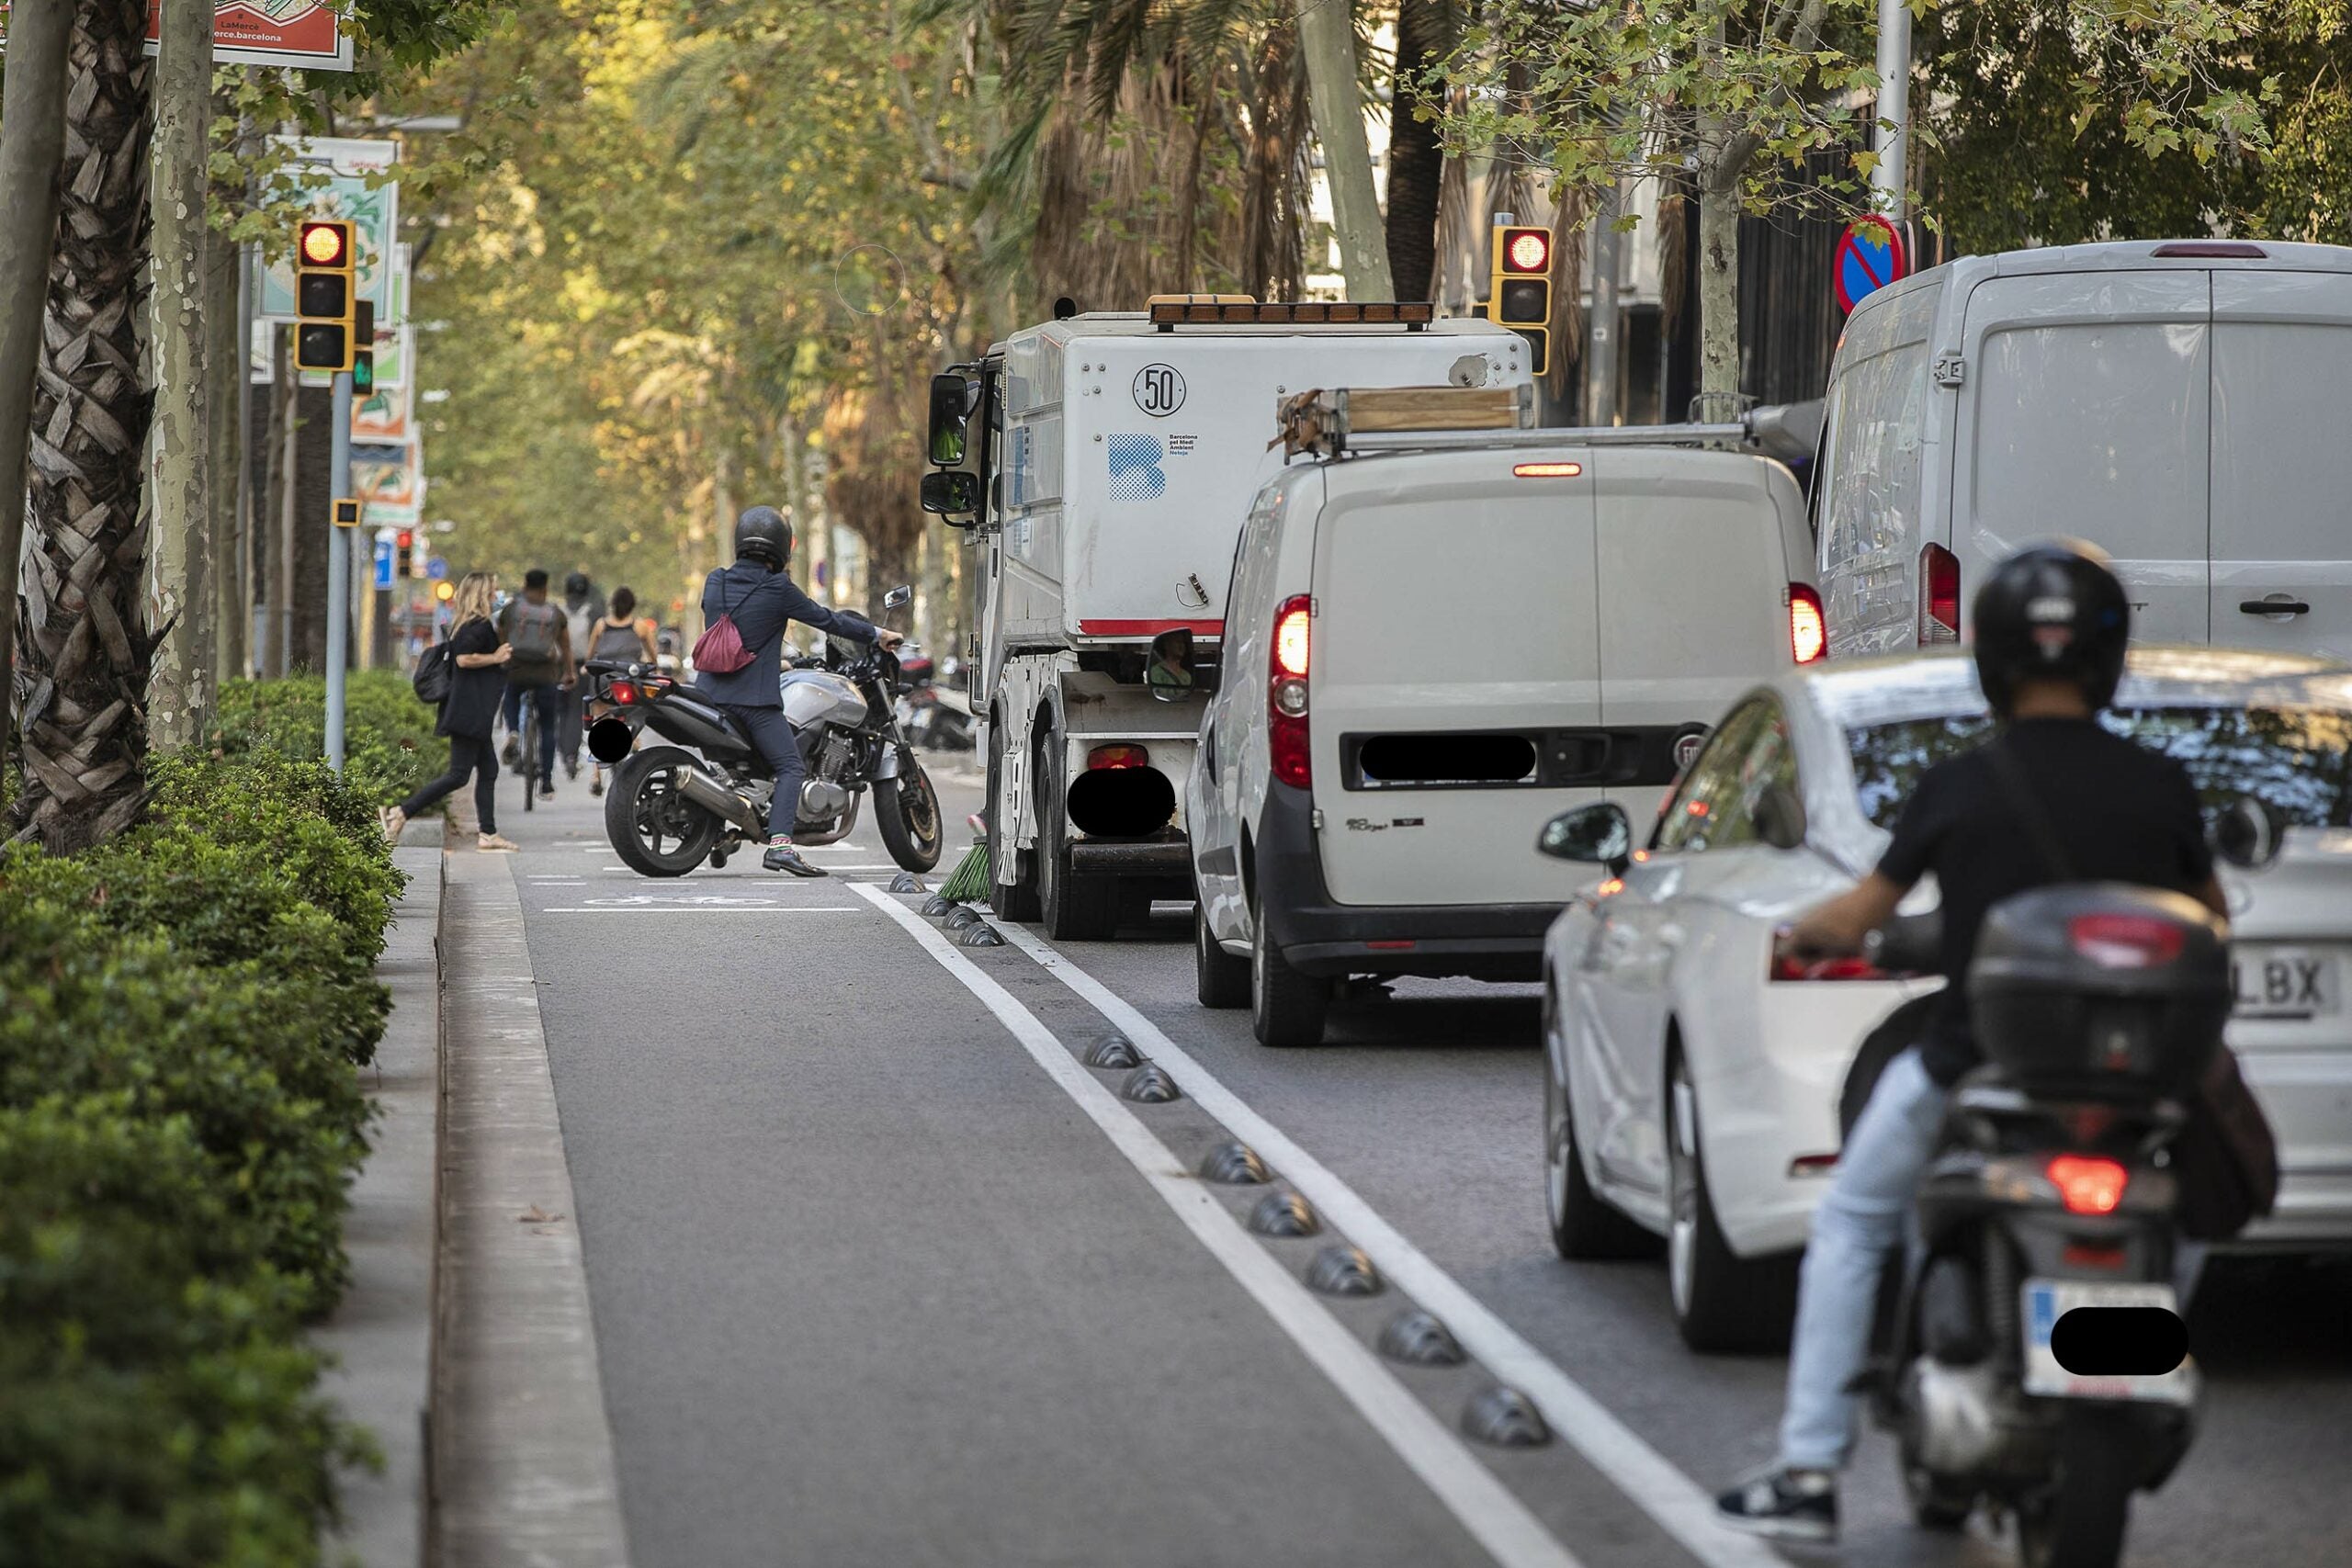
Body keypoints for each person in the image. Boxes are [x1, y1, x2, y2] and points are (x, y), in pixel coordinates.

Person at [1715, 543, 2226, 1544]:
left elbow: (1865, 909)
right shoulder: (2159, 787)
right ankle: (2144, 1367)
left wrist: (1810, 931)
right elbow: (2209, 920)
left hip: (1972, 1071)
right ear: (2108, 656)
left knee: (1854, 1222)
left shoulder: (1961, 785)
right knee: (2193, 1211)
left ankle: (1810, 1471)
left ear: (1992, 660)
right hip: (2134, 1093)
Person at [699, 505, 899, 876]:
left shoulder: (716, 581)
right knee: (790, 766)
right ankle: (780, 846)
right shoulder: (777, 587)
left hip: (708, 696)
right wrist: (878, 634)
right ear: (780, 548)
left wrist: (775, 661)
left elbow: (730, 637)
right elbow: (827, 620)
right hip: (752, 703)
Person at [382, 573, 521, 852]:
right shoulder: (477, 626)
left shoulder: (466, 623)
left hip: (472, 708)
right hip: (469, 710)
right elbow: (464, 659)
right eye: (493, 591)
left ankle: (488, 833)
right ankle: (401, 812)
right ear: (482, 594)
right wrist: (496, 657)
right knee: (459, 774)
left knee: (489, 769)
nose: (497, 596)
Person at [497, 569, 575, 800]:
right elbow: (566, 647)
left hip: (516, 670)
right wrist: (570, 673)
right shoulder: (554, 614)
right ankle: (547, 783)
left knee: (511, 696)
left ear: (524, 585)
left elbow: (500, 635)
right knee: (548, 726)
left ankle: (513, 730)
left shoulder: (511, 610)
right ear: (545, 588)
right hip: (545, 674)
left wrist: (504, 658)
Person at [584, 585, 659, 798]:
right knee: (632, 716)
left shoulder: (601, 625)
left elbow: (591, 655)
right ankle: (633, 742)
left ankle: (596, 775)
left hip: (603, 682)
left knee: (599, 723)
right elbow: (653, 658)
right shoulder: (641, 626)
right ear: (632, 606)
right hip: (629, 681)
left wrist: (585, 667)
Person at [558, 570, 605, 778]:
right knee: (575, 711)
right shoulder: (592, 612)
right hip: (583, 668)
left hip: (558, 667)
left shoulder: (557, 611)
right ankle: (570, 755)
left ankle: (561, 750)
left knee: (559, 711)